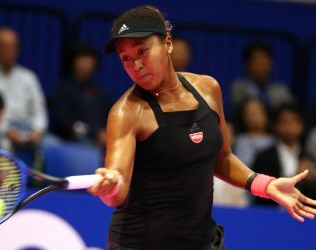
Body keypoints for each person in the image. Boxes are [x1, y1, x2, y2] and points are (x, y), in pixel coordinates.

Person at [87, 5, 316, 250]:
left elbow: (222, 157)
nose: (136, 65)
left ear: (168, 44)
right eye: (126, 58)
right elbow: (117, 184)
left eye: (142, 51)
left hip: (201, 241)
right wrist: (110, 187)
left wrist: (266, 185)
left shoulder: (208, 89)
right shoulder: (127, 112)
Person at [0, 27, 48, 165]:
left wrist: (37, 130)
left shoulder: (29, 77)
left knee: (52, 145)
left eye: (13, 47)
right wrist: (5, 130)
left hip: (29, 132)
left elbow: (39, 110)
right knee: (0, 143)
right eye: (4, 47)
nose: (9, 52)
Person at [51, 42, 111, 147]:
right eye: (82, 59)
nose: (86, 64)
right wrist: (94, 134)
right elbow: (63, 121)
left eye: (89, 59)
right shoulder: (64, 88)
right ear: (73, 62)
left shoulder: (100, 90)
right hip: (73, 140)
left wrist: (105, 133)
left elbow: (108, 116)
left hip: (101, 139)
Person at [251, 104, 311, 206]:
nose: (290, 126)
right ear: (276, 125)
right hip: (269, 213)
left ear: (302, 126)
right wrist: (296, 174)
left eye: (294, 121)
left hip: (302, 214)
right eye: (285, 121)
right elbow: (261, 192)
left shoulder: (308, 158)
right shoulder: (264, 157)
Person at [229, 42, 295, 130]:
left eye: (266, 59)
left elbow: (291, 111)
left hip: (276, 136)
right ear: (247, 64)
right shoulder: (238, 88)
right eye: (257, 60)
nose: (263, 64)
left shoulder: (281, 90)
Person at [234, 97, 274, 167]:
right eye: (248, 113)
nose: (253, 116)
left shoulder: (274, 140)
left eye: (256, 112)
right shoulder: (241, 140)